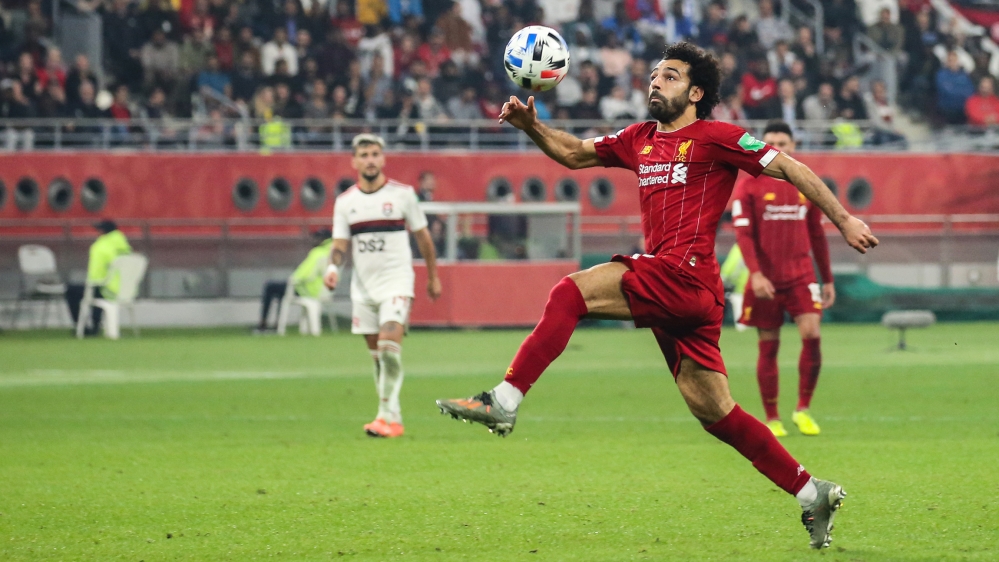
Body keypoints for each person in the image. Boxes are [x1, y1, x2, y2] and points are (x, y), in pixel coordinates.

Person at [436, 42, 878, 549]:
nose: (654, 82)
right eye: (653, 75)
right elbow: (575, 154)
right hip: (691, 294)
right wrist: (532, 127)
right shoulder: (638, 138)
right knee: (715, 412)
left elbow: (792, 169)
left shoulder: (720, 138)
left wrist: (843, 218)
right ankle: (810, 492)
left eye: (668, 76)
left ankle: (504, 400)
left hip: (684, 274)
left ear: (695, 93)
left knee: (570, 293)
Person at [324, 134, 443, 438]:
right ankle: (395, 418)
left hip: (397, 283)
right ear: (354, 161)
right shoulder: (345, 202)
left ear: (383, 158)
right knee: (378, 357)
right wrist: (333, 268)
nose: (370, 159)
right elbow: (340, 243)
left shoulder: (403, 195)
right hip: (363, 290)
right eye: (364, 154)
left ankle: (382, 416)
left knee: (389, 349)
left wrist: (432, 276)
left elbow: (423, 237)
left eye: (375, 153)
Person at [731, 121, 834, 438]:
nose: (777, 148)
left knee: (812, 334)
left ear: (793, 146)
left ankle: (803, 409)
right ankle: (772, 418)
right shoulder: (749, 184)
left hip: (801, 274)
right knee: (768, 347)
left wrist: (826, 279)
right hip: (766, 280)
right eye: (771, 142)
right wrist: (756, 274)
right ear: (763, 146)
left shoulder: (806, 181)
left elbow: (817, 233)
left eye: (783, 143)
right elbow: (743, 234)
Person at [254, 228, 334, 333]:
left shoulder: (318, 253)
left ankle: (264, 324)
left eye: (317, 238)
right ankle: (276, 325)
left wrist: (292, 279)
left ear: (324, 240)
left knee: (271, 287)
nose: (314, 240)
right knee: (281, 291)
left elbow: (305, 274)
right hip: (323, 291)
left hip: (307, 290)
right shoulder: (333, 253)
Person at [65, 220, 132, 336]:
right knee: (98, 291)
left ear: (103, 231)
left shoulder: (101, 246)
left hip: (107, 289)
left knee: (74, 290)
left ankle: (82, 327)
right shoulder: (124, 246)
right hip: (124, 290)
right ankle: (96, 325)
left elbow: (96, 275)